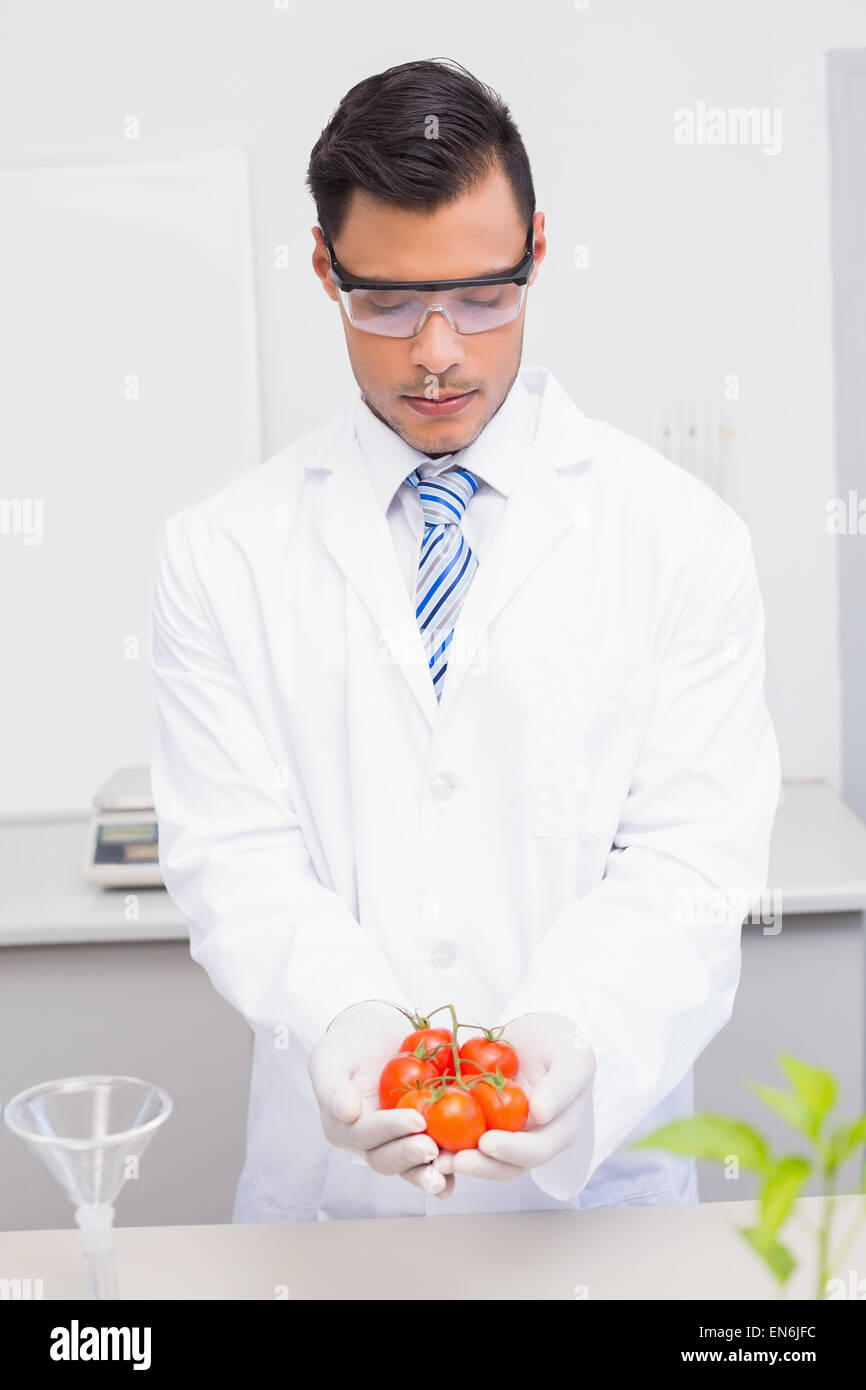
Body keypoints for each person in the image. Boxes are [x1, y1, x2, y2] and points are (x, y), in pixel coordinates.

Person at [150, 58, 781, 1223]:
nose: (436, 348)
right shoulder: (220, 554)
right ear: (322, 270)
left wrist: (566, 1028)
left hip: (599, 1204)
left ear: (537, 250)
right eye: (385, 301)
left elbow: (690, 861)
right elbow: (233, 858)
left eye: (483, 294)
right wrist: (348, 1016)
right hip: (333, 1208)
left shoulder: (681, 540)